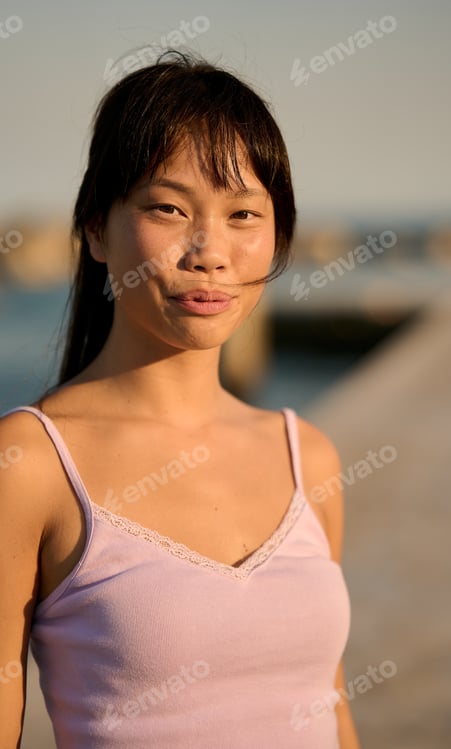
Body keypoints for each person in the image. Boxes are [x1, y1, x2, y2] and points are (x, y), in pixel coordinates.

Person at [0, 50, 360, 748]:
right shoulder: (31, 461)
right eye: (168, 208)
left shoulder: (307, 456)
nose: (210, 251)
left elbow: (331, 702)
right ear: (98, 230)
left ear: (276, 240)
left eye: (243, 214)